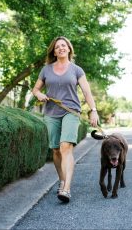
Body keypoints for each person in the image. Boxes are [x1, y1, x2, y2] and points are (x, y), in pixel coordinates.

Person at [32, 36, 99, 203]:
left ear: (69, 49)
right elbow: (35, 89)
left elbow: (87, 92)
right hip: (51, 113)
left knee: (65, 147)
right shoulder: (46, 70)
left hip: (71, 111)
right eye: (57, 47)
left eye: (63, 45)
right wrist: (39, 94)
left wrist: (93, 110)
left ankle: (66, 189)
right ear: (54, 51)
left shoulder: (77, 70)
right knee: (55, 149)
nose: (60, 48)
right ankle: (62, 181)